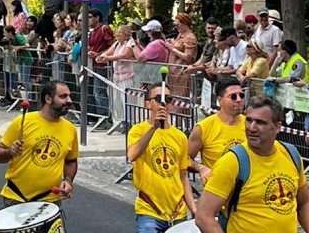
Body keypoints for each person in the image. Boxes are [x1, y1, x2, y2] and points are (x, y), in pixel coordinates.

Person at [196, 96, 309, 232]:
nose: (252, 128)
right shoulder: (232, 162)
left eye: (260, 122)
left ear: (277, 126)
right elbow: (203, 216)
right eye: (249, 120)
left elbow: (303, 203)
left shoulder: (291, 154)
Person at [0, 80, 78, 206]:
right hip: (16, 198)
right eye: (63, 96)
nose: (69, 100)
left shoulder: (70, 129)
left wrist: (68, 180)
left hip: (50, 201)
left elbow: (71, 160)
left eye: (69, 96)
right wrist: (10, 152)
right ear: (48, 99)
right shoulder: (22, 122)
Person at [127, 83, 196, 232]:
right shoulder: (138, 131)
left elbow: (183, 177)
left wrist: (194, 209)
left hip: (177, 212)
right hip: (149, 210)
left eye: (168, 99)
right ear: (147, 104)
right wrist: (154, 128)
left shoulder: (180, 137)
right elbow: (132, 155)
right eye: (158, 99)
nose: (163, 104)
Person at [188, 77, 246, 184]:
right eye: (233, 96)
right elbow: (185, 158)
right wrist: (201, 169)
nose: (239, 100)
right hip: (217, 193)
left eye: (241, 95)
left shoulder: (250, 125)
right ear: (220, 100)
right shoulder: (203, 128)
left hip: (246, 192)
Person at [96, 24, 135, 132]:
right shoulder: (117, 43)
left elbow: (124, 55)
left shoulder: (130, 43)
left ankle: (130, 122)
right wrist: (102, 56)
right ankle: (121, 122)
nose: (117, 34)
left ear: (126, 34)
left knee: (126, 100)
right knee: (117, 101)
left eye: (120, 32)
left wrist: (108, 58)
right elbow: (108, 52)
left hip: (127, 76)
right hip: (117, 76)